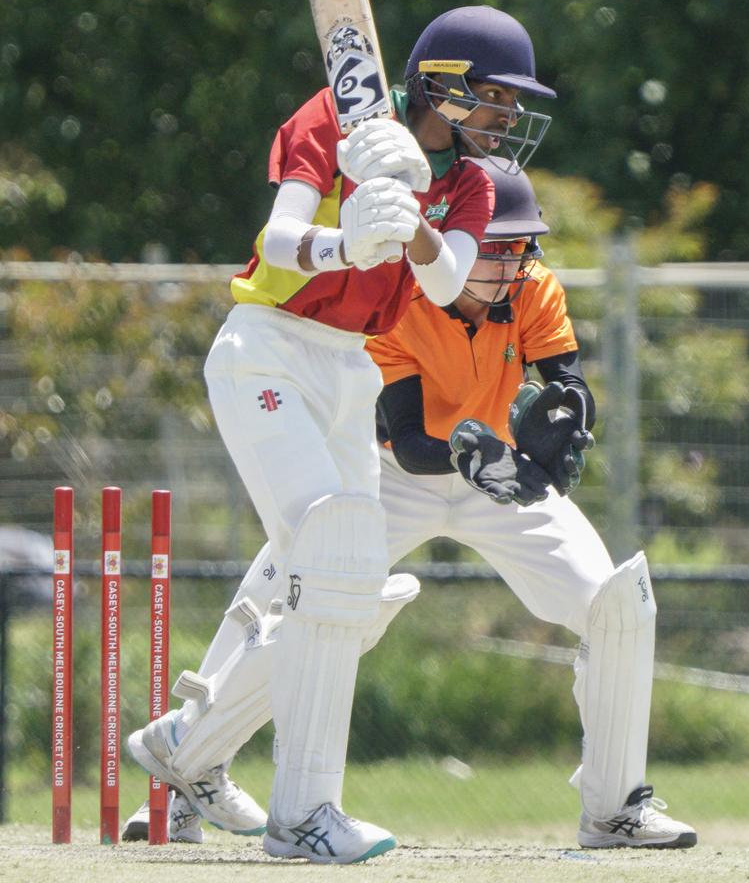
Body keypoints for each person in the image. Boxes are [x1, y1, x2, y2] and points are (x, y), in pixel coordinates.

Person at [125, 160, 697, 852]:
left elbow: (566, 377)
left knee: (617, 603)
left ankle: (615, 811)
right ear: (457, 243)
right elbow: (408, 435)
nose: (512, 262)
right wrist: (472, 452)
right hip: (391, 473)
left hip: (498, 477)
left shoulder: (535, 288)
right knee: (303, 599)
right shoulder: (403, 298)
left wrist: (571, 416)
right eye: (497, 247)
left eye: (522, 247)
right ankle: (185, 775)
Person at [126, 6, 558, 863]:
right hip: (268, 350)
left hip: (352, 366)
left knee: (353, 586)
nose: (510, 120)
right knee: (333, 547)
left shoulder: (468, 184)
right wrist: (345, 241)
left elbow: (446, 285)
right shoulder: (334, 118)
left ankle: (188, 746)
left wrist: (411, 218)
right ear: (446, 82)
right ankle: (303, 818)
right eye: (499, 99)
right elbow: (278, 241)